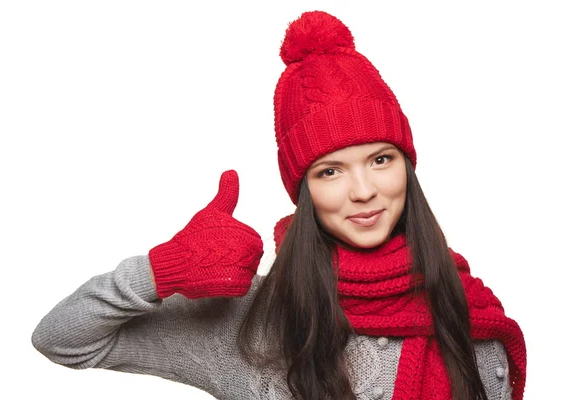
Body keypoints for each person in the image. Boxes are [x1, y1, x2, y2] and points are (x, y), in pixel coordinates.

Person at [31, 10, 526, 400]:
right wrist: (160, 272)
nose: (362, 190)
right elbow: (62, 338)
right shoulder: (254, 319)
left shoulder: (470, 314)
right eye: (330, 171)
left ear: (406, 168)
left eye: (380, 159)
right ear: (303, 189)